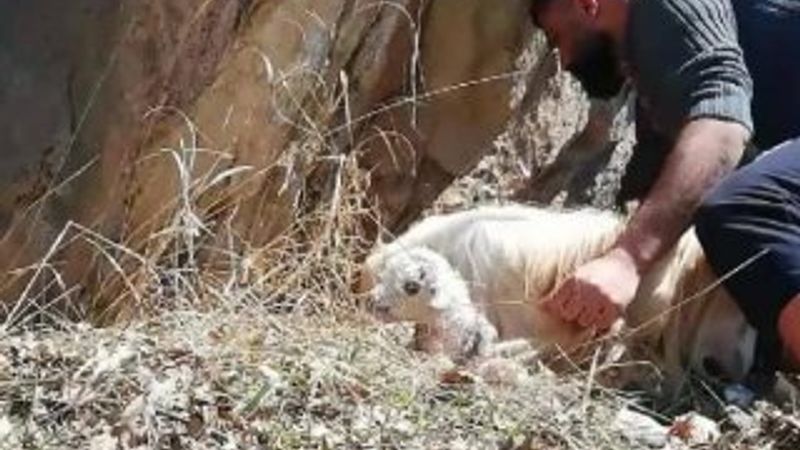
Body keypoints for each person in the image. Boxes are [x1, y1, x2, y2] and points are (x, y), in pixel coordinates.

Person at [529, 0, 800, 378]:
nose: (564, 61)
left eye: (558, 37)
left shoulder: (664, 10)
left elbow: (722, 132)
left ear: (588, 5)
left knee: (744, 210)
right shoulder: (655, 65)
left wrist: (625, 261)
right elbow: (662, 190)